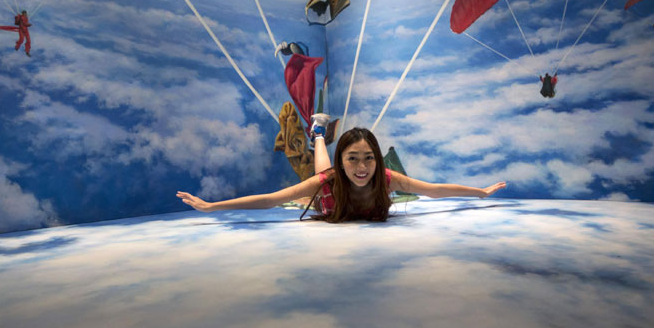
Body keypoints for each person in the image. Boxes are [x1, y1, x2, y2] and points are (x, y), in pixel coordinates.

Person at [177, 117, 506, 223]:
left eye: (369, 158)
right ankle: (318, 134)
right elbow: (269, 200)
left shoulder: (386, 179)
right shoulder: (331, 178)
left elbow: (433, 189)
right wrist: (211, 207)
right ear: (343, 160)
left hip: (333, 180)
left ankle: (319, 135)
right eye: (352, 158)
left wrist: (481, 192)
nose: (362, 167)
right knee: (321, 168)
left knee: (327, 172)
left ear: (378, 159)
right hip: (328, 189)